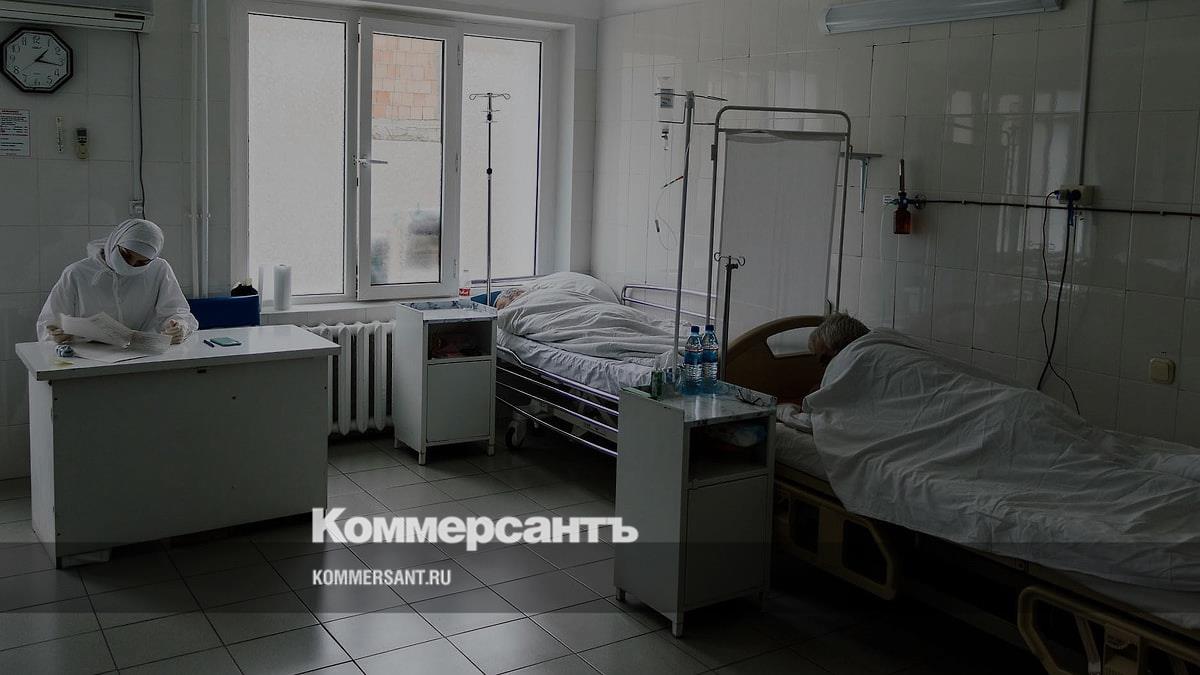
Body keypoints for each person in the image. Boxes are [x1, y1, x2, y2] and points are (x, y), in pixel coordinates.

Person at [37, 219, 198, 345]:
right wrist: (57, 335)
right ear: (115, 242)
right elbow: (48, 324)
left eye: (141, 263)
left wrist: (179, 326)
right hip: (87, 360)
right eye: (127, 255)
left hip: (144, 355)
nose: (131, 265)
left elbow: (176, 311)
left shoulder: (159, 269)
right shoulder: (76, 274)